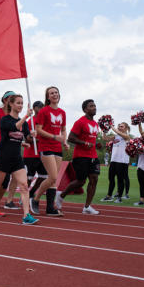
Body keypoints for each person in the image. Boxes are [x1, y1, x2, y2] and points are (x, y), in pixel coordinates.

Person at [0, 94, 39, 224]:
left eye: (22, 103)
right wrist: (27, 116)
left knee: (24, 186)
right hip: (3, 158)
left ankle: (26, 215)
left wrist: (31, 136)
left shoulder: (24, 123)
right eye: (18, 103)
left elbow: (26, 137)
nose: (20, 106)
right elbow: (14, 127)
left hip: (16, 159)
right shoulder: (5, 120)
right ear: (11, 104)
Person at [55, 99, 101, 215]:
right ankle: (61, 195)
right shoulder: (80, 122)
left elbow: (92, 139)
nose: (94, 107)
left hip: (93, 156)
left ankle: (87, 207)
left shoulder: (95, 124)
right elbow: (70, 138)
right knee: (81, 181)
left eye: (94, 105)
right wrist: (84, 143)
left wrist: (97, 145)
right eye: (91, 106)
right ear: (85, 109)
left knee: (94, 179)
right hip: (80, 156)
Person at [30, 87, 68, 216]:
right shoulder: (44, 111)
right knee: (53, 177)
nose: (54, 94)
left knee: (53, 180)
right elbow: (38, 130)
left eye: (56, 92)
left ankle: (50, 209)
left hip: (57, 147)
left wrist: (64, 141)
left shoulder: (62, 112)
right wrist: (53, 137)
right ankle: (35, 199)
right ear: (47, 97)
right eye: (51, 93)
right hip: (46, 146)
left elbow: (63, 129)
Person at [22, 101, 47, 201]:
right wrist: (37, 140)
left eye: (42, 107)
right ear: (34, 108)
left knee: (44, 176)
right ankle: (24, 196)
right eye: (39, 107)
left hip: (42, 154)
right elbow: (27, 138)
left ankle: (31, 193)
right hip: (30, 154)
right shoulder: (30, 122)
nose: (41, 109)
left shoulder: (45, 121)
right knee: (29, 178)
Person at [100, 122, 131, 203]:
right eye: (119, 126)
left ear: (126, 128)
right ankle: (109, 196)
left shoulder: (127, 136)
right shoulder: (116, 136)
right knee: (111, 179)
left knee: (120, 179)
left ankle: (119, 197)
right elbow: (105, 138)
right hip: (114, 160)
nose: (120, 127)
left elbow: (117, 132)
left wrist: (112, 126)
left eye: (122, 126)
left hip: (122, 161)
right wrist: (104, 130)